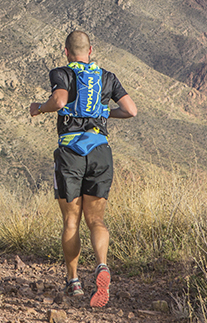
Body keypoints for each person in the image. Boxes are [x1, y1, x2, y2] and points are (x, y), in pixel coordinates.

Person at [29, 30, 137, 308]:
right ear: (91, 52)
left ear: (66, 52)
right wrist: (103, 112)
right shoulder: (107, 77)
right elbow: (131, 110)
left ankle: (74, 281)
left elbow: (60, 101)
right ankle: (102, 266)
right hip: (101, 151)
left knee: (71, 221)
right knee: (96, 220)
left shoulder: (62, 73)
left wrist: (39, 108)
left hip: (71, 154)